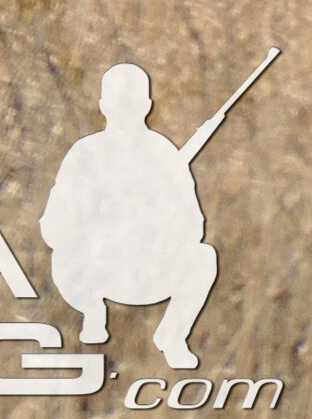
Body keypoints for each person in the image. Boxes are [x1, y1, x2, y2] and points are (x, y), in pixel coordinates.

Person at [44, 61, 221, 370]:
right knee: (64, 255)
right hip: (95, 272)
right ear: (104, 106)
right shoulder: (84, 154)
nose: (125, 111)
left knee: (203, 258)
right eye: (120, 104)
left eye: (131, 104)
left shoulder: (165, 156)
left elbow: (194, 226)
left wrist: (155, 222)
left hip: (147, 271)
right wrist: (97, 225)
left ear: (146, 106)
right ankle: (93, 313)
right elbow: (54, 226)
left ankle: (172, 336)